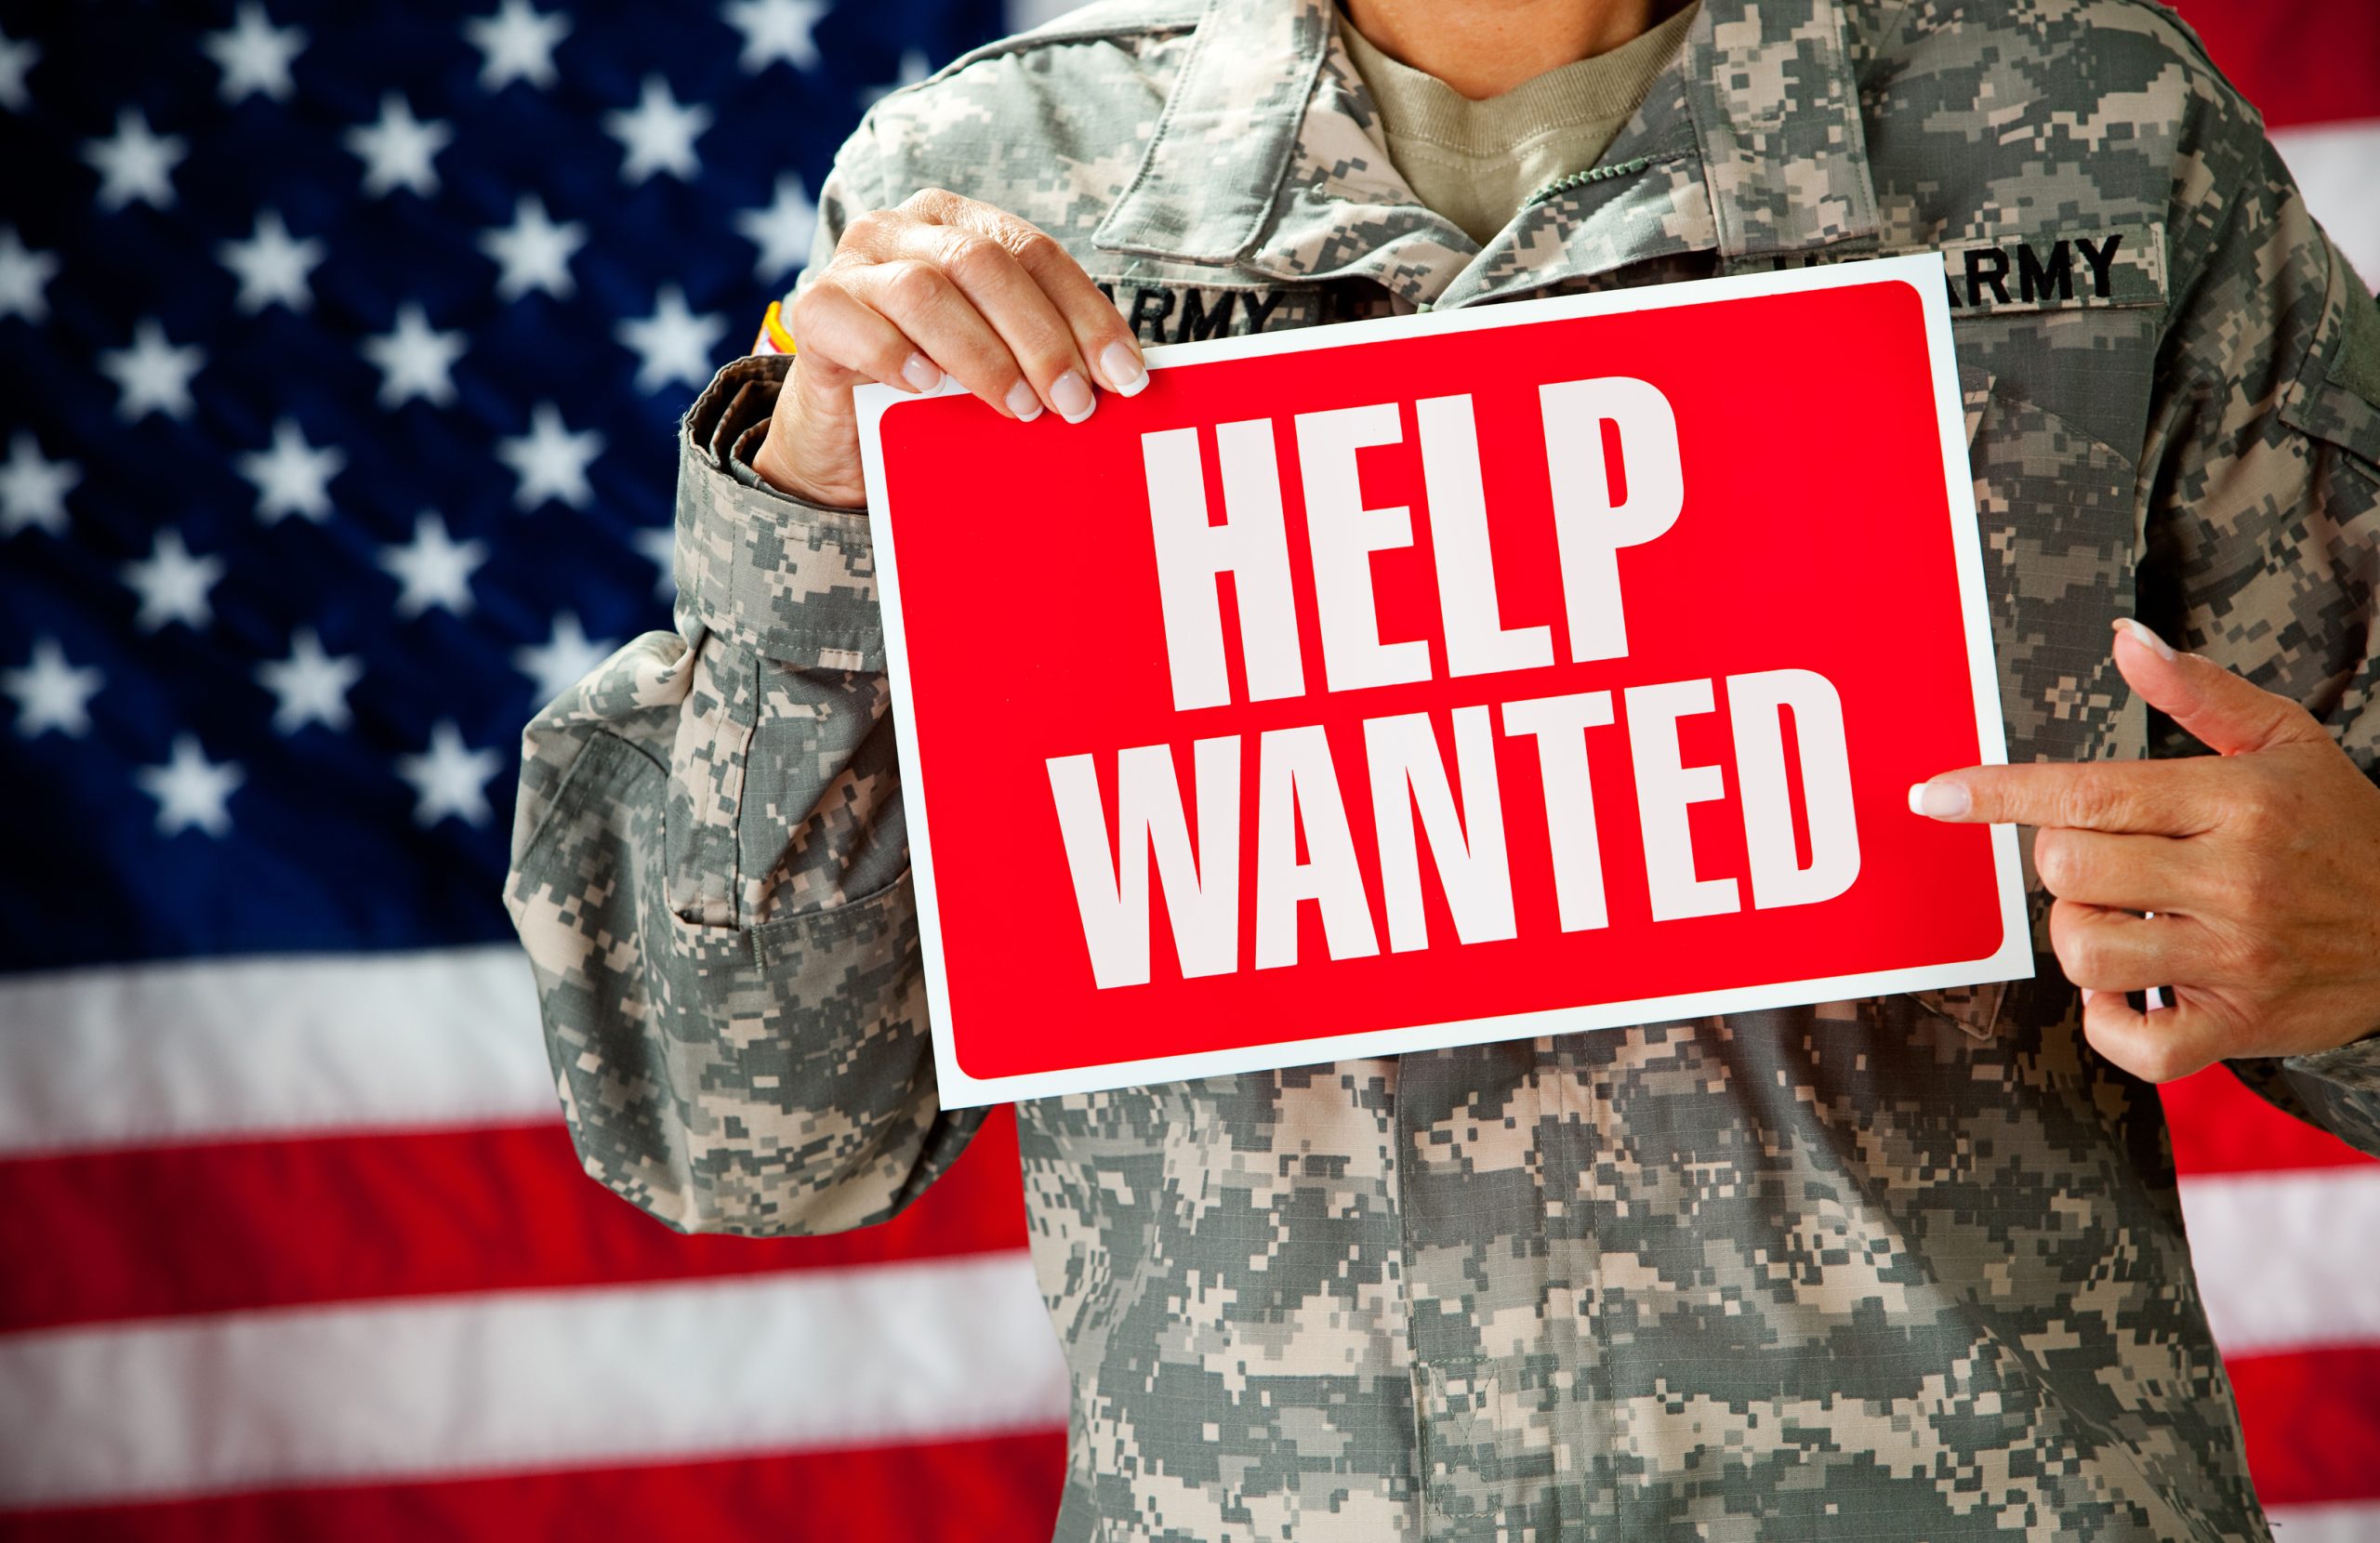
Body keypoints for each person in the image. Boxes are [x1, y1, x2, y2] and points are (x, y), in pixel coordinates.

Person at [503, 0, 2380, 1534]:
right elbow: (749, 1139)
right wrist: (815, 508)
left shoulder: (2096, 128)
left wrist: (2362, 931)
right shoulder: (1007, 188)